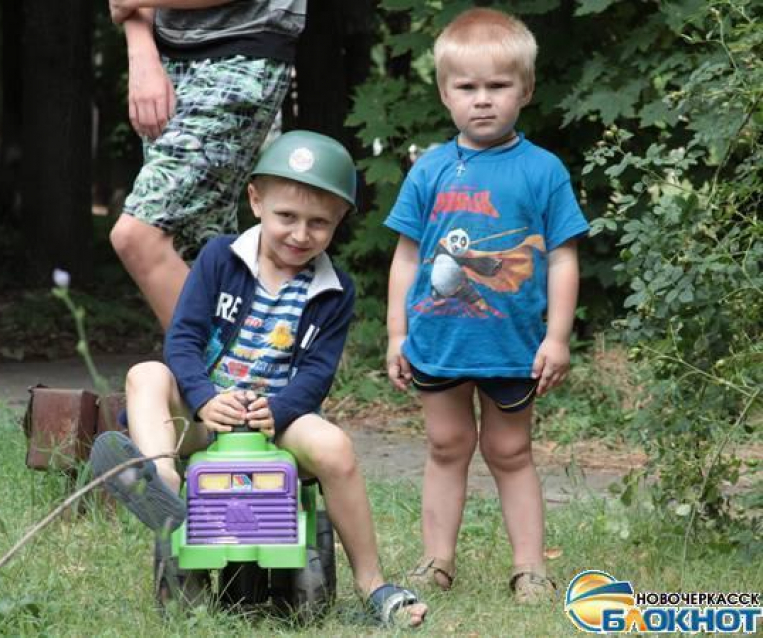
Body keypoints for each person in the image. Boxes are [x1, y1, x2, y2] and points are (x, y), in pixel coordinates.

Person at [92, 131, 428, 627]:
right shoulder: (219, 259)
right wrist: (204, 399)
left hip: (278, 420)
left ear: (338, 222)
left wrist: (282, 410)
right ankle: (160, 484)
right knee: (146, 374)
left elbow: (317, 372)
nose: (300, 234)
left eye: (319, 223)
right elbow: (182, 340)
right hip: (206, 416)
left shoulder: (334, 291)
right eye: (286, 217)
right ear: (256, 201)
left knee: (335, 448)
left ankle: (374, 586)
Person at [384, 8, 589, 604]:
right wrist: (397, 333)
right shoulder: (428, 168)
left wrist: (557, 337)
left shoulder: (544, 170)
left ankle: (530, 569)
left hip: (512, 345)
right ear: (445, 92)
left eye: (498, 86)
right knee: (446, 447)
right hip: (438, 341)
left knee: (510, 451)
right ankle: (436, 562)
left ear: (524, 89)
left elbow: (563, 259)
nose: (482, 101)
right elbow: (404, 258)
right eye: (467, 87)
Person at [107, 0, 306, 329]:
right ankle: (249, 369)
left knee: (139, 235)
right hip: (167, 59)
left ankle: (232, 367)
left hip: (244, 49)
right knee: (198, 253)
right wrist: (142, 55)